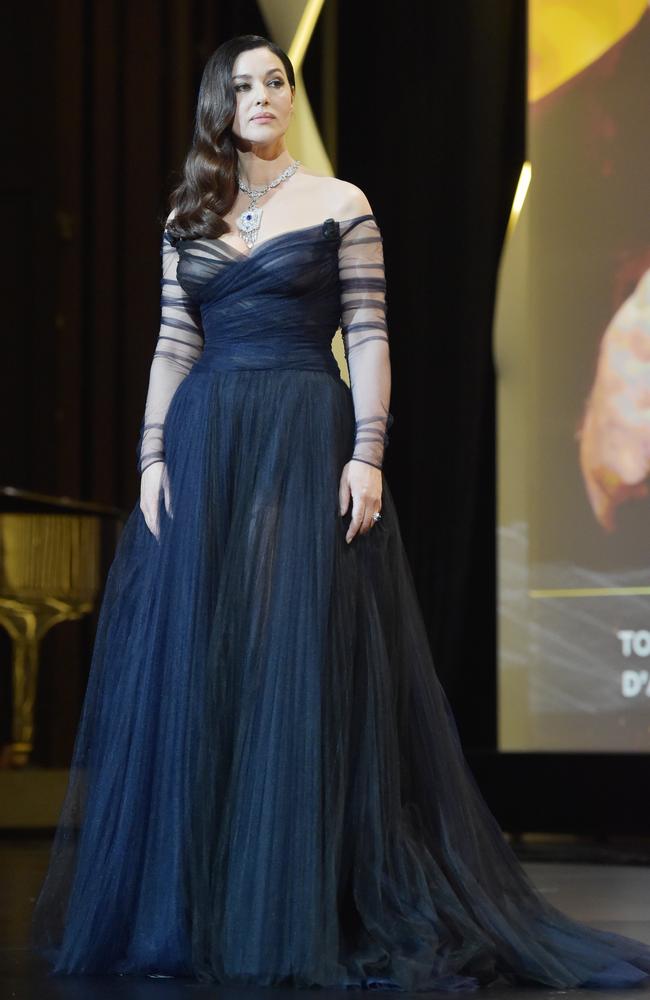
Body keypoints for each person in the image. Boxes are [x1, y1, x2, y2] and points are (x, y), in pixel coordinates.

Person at [30, 34, 650, 992]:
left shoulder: (339, 202)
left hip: (299, 434)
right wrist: (151, 452)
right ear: (219, 106)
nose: (265, 95)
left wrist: (368, 450)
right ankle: (204, 903)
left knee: (291, 658)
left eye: (276, 80)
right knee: (212, 665)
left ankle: (294, 902)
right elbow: (169, 342)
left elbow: (368, 330)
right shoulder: (187, 215)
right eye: (244, 85)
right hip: (206, 445)